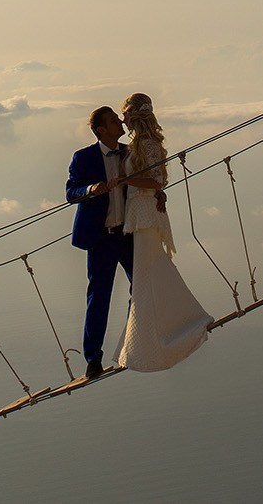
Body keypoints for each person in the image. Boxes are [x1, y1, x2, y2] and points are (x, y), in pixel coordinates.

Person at [112, 92, 211, 372]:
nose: (124, 119)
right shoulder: (138, 144)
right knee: (148, 271)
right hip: (139, 211)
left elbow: (157, 180)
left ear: (135, 116)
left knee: (148, 272)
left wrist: (124, 179)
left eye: (126, 115)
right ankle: (147, 335)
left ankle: (157, 335)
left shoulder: (147, 143)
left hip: (145, 212)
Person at [65, 105, 134, 379]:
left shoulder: (129, 152)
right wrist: (91, 189)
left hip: (127, 234)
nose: (120, 123)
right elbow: (71, 192)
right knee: (99, 298)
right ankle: (93, 358)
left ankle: (133, 339)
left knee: (141, 287)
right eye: (114, 121)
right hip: (100, 238)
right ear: (100, 130)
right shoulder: (83, 157)